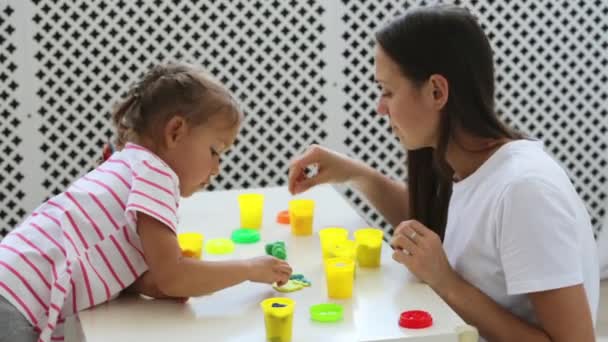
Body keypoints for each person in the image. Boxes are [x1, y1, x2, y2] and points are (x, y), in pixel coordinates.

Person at [289, 5, 598, 341]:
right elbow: (448, 230)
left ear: (437, 91)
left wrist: (446, 281)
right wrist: (356, 174)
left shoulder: (525, 191)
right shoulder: (474, 166)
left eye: (387, 91)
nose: (380, 108)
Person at [0, 62, 292, 342]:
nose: (217, 168)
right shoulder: (156, 176)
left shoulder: (130, 164)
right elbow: (173, 275)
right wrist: (250, 269)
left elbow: (122, 267)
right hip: (16, 301)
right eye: (215, 151)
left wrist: (161, 282)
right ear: (175, 131)